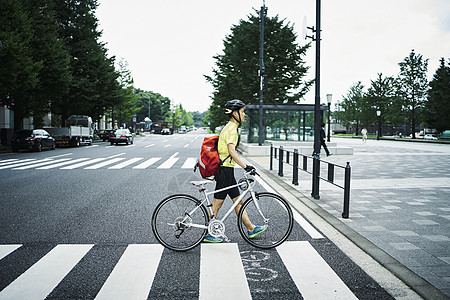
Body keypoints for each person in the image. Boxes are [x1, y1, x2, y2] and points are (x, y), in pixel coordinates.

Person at [203, 99, 268, 243]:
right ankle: (207, 233)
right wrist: (246, 166)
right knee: (216, 204)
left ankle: (250, 228)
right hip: (225, 171)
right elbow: (231, 151)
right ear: (235, 113)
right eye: (242, 112)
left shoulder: (229, 128)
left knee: (238, 202)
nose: (244, 115)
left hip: (227, 171)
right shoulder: (231, 129)